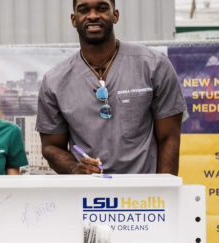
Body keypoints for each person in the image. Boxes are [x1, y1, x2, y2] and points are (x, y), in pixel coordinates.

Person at [37, 0, 185, 175]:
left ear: (115, 15)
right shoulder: (55, 81)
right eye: (84, 10)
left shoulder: (154, 65)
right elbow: (51, 147)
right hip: (87, 197)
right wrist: (75, 168)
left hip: (144, 194)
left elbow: (169, 138)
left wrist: (164, 192)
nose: (93, 16)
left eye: (102, 8)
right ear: (74, 19)